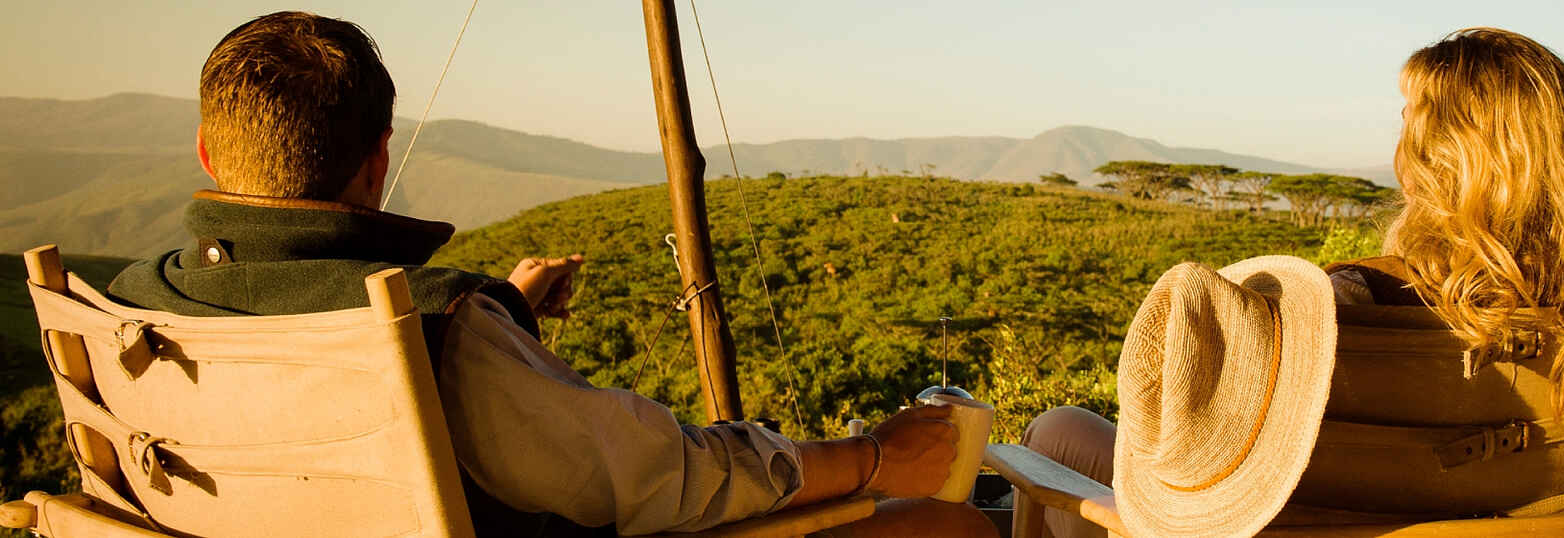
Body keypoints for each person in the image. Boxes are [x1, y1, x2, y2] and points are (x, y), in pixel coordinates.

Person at [105, 11, 994, 538]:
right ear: (378, 161)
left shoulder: (127, 304)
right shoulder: (440, 331)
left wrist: (506, 317)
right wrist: (875, 454)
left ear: (208, 150)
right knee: (950, 528)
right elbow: (666, 475)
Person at [1020, 27, 1564, 537]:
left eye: (1409, 119)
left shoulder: (1357, 302)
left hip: (1324, 526)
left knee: (1054, 431)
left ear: (1433, 152)